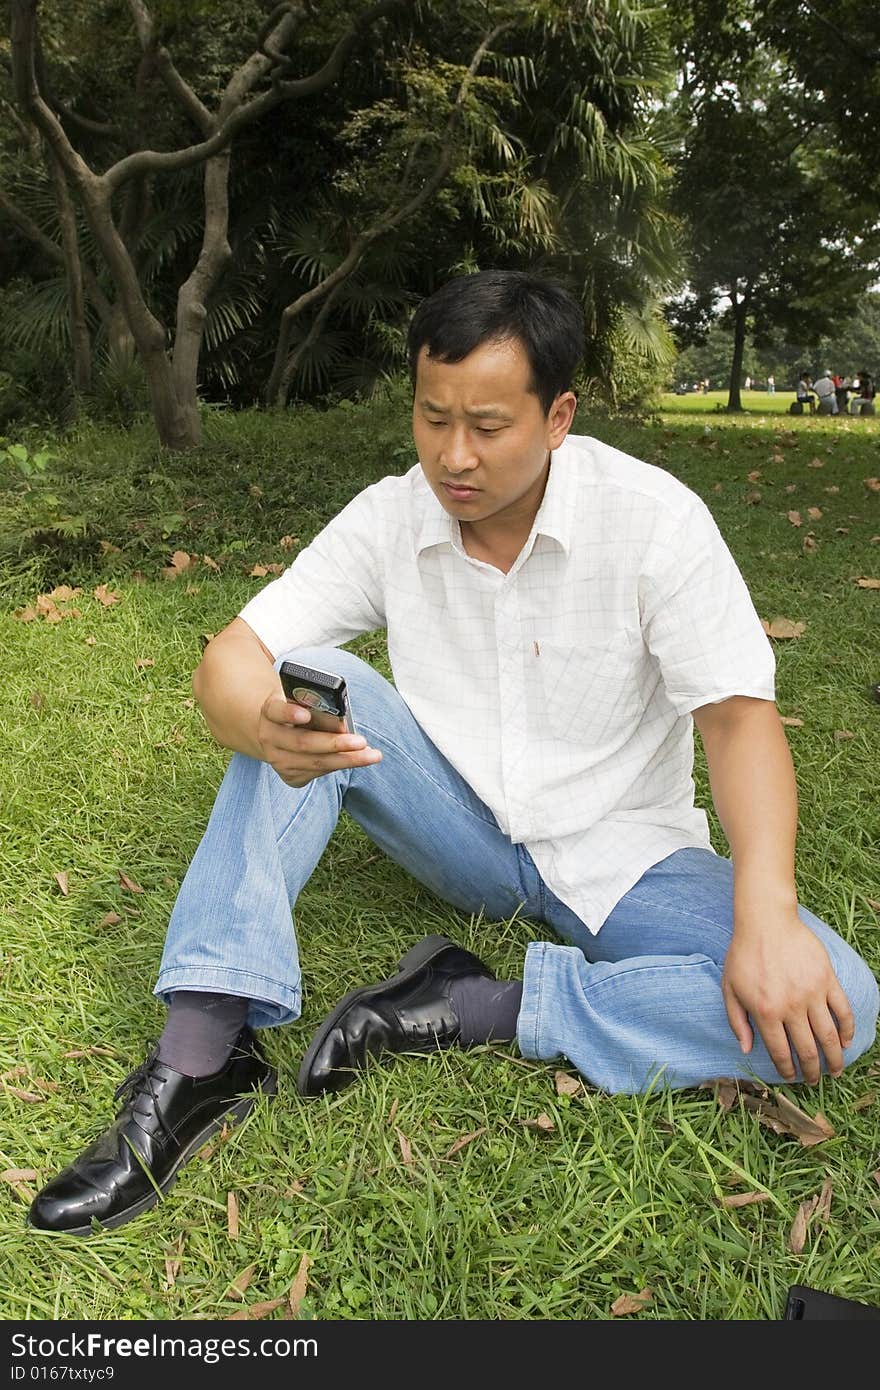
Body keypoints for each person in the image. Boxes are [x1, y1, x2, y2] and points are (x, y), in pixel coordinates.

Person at [28, 270, 879, 1238]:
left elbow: (737, 721)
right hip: (457, 821)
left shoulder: (654, 521)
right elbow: (233, 655)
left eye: (486, 424)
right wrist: (256, 723)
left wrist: (765, 915)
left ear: (556, 417)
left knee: (841, 998)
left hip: (625, 857)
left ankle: (475, 1005)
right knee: (301, 680)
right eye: (433, 419)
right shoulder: (394, 515)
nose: (453, 455)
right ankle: (202, 1051)